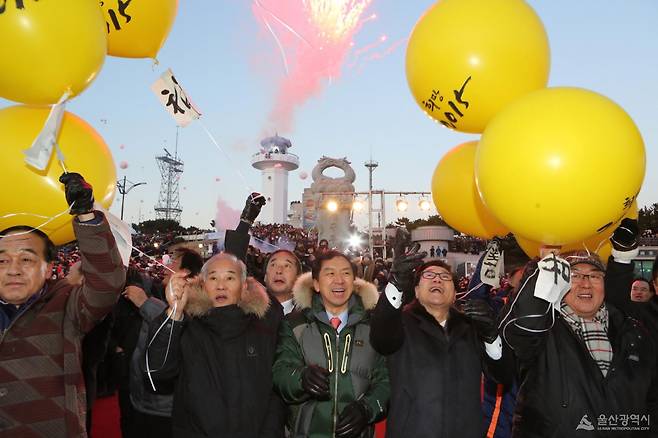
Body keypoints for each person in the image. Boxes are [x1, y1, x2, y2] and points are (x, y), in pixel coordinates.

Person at [501, 221, 658, 437]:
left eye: (594, 276)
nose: (586, 283)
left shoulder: (634, 333)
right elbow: (520, 332)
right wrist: (543, 268)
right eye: (575, 275)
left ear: (605, 285)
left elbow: (650, 405)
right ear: (560, 283)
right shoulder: (543, 331)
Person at [0, 172, 126, 437]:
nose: (13, 270)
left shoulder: (66, 305)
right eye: (2, 260)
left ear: (49, 269)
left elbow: (107, 283)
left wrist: (86, 216)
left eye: (26, 260)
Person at [369, 231, 512, 438]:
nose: (437, 279)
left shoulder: (471, 327)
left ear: (455, 293)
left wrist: (491, 336)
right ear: (416, 290)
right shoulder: (400, 323)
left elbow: (503, 375)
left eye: (445, 277)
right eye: (429, 276)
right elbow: (381, 337)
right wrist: (397, 281)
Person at [144, 252, 285, 437]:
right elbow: (156, 373)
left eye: (229, 277)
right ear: (202, 284)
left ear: (243, 287)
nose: (221, 286)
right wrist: (174, 313)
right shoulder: (186, 325)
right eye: (213, 278)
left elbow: (275, 394)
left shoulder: (263, 327)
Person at [273, 250, 390, 438]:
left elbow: (385, 381)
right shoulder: (295, 324)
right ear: (316, 284)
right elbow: (281, 372)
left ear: (354, 281)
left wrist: (367, 408)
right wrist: (301, 378)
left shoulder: (372, 326)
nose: (339, 280)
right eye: (330, 274)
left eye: (345, 273)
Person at [117, 248, 203, 438]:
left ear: (185, 273)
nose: (165, 266)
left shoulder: (195, 307)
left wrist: (145, 302)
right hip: (139, 398)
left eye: (172, 262)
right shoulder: (160, 292)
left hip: (164, 408)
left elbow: (176, 328)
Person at [264, 249, 302, 315]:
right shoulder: (246, 314)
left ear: (298, 279)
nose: (279, 271)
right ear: (265, 276)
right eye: (273, 265)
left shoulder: (307, 321)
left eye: (287, 266)